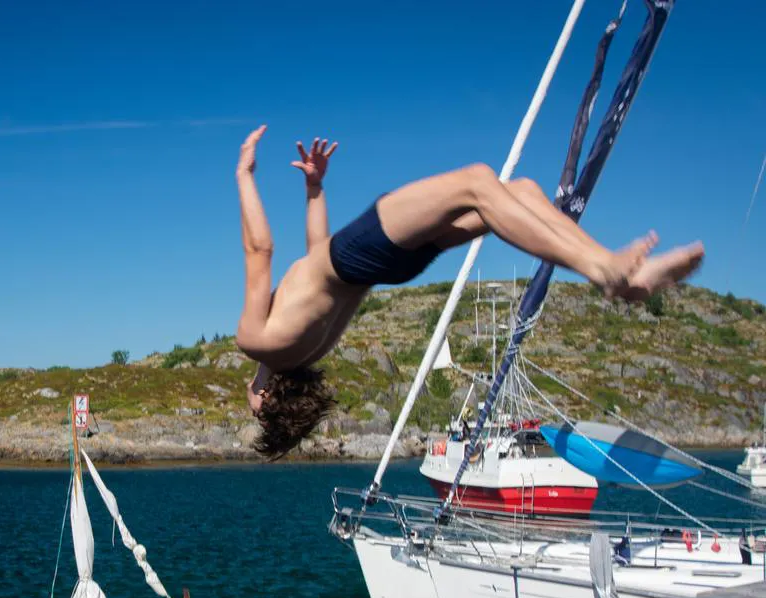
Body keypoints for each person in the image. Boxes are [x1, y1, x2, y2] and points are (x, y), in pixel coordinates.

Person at [234, 125, 705, 459]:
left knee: (518, 190)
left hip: (385, 265)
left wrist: (315, 190)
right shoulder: (258, 341)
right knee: (479, 181)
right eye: (259, 413)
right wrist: (244, 176)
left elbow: (317, 255)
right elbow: (260, 250)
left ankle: (618, 273)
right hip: (362, 251)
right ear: (270, 398)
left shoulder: (304, 347)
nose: (250, 405)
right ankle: (605, 269)